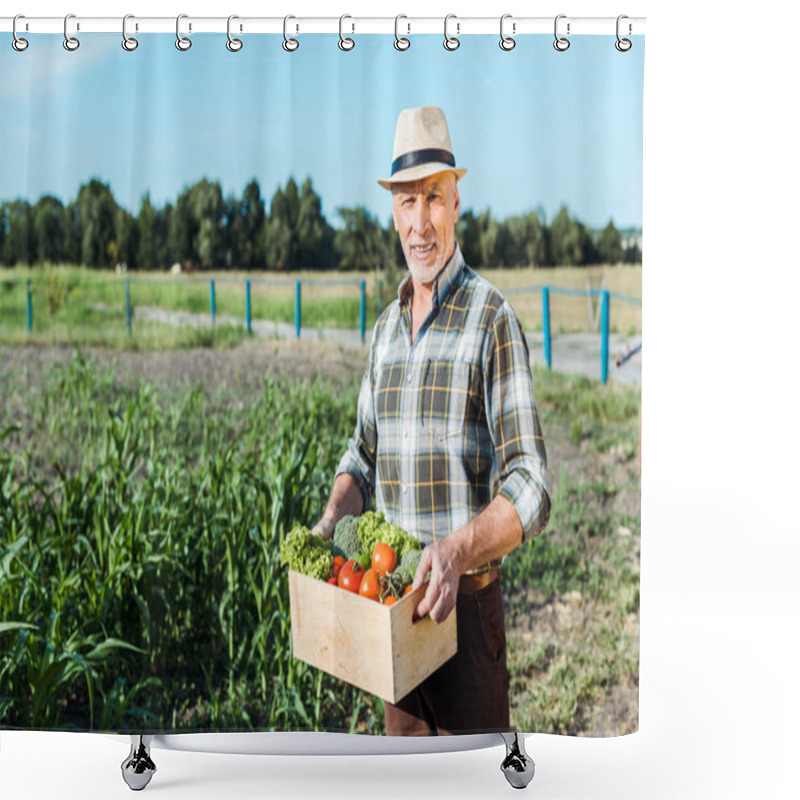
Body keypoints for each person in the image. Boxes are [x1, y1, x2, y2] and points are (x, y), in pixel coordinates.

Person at [312, 105, 550, 736]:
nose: (420, 224)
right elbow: (362, 454)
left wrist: (454, 551)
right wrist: (334, 517)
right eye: (407, 202)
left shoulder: (490, 318)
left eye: (434, 200)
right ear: (393, 212)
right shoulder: (386, 330)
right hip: (392, 611)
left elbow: (532, 483)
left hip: (465, 617)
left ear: (456, 205)